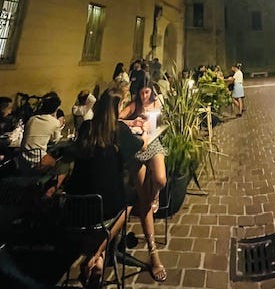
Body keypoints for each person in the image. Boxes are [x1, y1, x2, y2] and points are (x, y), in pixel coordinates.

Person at [67, 87, 144, 286]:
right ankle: (99, 252)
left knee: (100, 199)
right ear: (118, 107)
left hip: (76, 207)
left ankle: (98, 260)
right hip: (105, 208)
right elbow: (140, 147)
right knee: (132, 199)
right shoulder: (119, 131)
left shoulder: (87, 127)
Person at [119, 83, 167, 282]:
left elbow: (163, 119)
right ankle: (153, 254)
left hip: (153, 142)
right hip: (137, 149)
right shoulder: (134, 105)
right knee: (144, 201)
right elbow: (117, 119)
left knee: (160, 180)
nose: (145, 96)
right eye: (141, 92)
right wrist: (134, 123)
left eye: (147, 92)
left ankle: (156, 194)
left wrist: (153, 121)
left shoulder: (157, 101)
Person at [20, 92, 68, 187]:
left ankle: (42, 186)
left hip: (22, 159)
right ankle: (49, 192)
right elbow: (55, 140)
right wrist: (56, 122)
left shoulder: (32, 119)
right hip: (38, 160)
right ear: (56, 108)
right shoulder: (54, 122)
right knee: (62, 166)